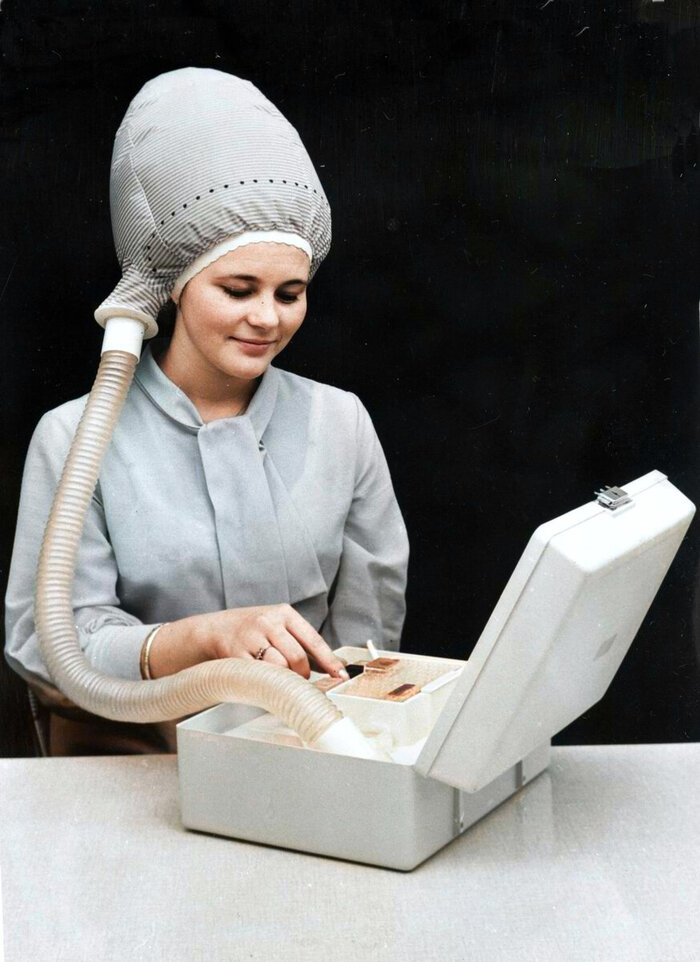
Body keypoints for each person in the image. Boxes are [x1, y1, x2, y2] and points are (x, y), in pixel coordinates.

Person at [4, 68, 409, 754]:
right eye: (238, 289)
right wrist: (204, 639)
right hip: (132, 762)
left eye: (289, 294)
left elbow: (369, 632)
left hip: (306, 753)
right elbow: (47, 646)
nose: (267, 318)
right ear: (174, 283)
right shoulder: (74, 437)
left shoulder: (341, 423)